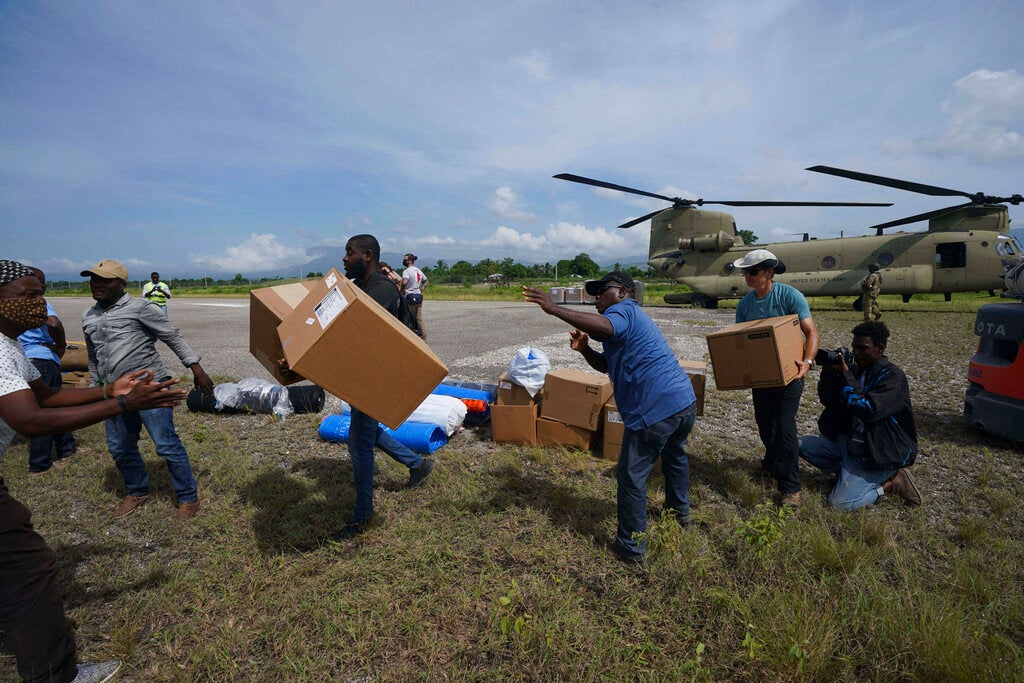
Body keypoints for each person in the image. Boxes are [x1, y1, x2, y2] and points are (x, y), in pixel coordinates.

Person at [0, 259, 186, 683]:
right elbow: (29, 421)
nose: (39, 303)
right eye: (27, 295)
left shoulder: (10, 347)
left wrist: (107, 391)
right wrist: (121, 404)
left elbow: (45, 396)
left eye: (41, 292)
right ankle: (54, 675)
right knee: (29, 571)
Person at [523, 271, 698, 563]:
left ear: (623, 291)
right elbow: (607, 365)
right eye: (594, 293)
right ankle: (680, 513)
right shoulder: (629, 319)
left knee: (630, 478)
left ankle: (631, 549)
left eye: (603, 290)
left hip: (654, 411)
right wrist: (585, 350)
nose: (596, 297)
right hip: (682, 404)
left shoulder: (624, 310)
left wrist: (553, 308)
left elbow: (606, 326)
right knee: (674, 457)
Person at [307, 236, 434, 540]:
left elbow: (349, 324)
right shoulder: (364, 286)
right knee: (366, 429)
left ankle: (363, 516)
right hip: (370, 372)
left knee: (359, 441)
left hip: (385, 374)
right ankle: (417, 465)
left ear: (366, 255)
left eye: (349, 253)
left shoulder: (381, 289)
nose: (344, 258)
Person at [81, 259, 213, 520]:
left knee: (165, 444)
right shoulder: (90, 316)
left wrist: (196, 368)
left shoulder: (141, 307)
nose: (96, 285)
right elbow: (94, 357)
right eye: (93, 279)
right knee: (120, 447)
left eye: (104, 280)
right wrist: (97, 389)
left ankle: (188, 497)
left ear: (121, 284)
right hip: (115, 392)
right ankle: (137, 490)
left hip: (150, 388)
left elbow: (171, 335)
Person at [798, 321, 921, 509]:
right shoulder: (856, 371)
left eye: (863, 348)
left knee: (838, 504)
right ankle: (848, 476)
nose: (856, 353)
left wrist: (846, 376)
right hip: (849, 445)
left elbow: (868, 409)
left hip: (877, 454)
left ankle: (892, 483)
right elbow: (828, 400)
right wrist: (830, 375)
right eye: (854, 347)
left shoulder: (893, 378)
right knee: (795, 445)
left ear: (880, 349)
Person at [733, 249, 820, 508]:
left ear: (769, 273)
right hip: (762, 376)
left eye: (753, 271)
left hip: (791, 373)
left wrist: (807, 362)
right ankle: (772, 462)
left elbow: (811, 332)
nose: (748, 276)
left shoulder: (790, 296)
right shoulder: (745, 304)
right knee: (764, 423)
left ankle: (790, 488)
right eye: (745, 272)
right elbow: (739, 341)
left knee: (783, 427)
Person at [18, 267, 77, 473]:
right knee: (48, 408)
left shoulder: (11, 301)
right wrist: (60, 346)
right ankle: (39, 462)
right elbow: (53, 322)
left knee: (48, 406)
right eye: (40, 281)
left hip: (21, 359)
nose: (42, 286)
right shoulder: (37, 299)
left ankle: (67, 448)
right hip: (42, 359)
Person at [400, 253, 427, 340]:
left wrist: (402, 290)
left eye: (405, 260)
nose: (404, 261)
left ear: (410, 261)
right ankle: (423, 336)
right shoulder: (418, 270)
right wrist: (422, 287)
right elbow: (426, 280)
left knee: (408, 317)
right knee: (419, 318)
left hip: (409, 296)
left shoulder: (406, 271)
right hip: (418, 296)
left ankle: (410, 337)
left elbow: (404, 281)